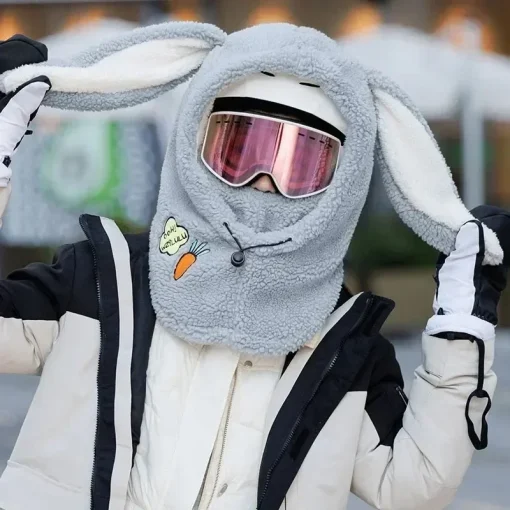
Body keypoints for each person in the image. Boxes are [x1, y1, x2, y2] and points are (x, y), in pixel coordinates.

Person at [0, 22, 508, 510]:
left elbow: (413, 485)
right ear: (196, 140)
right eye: (239, 151)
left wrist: (463, 322)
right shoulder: (104, 278)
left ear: (343, 183)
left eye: (300, 166)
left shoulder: (340, 343)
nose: (264, 182)